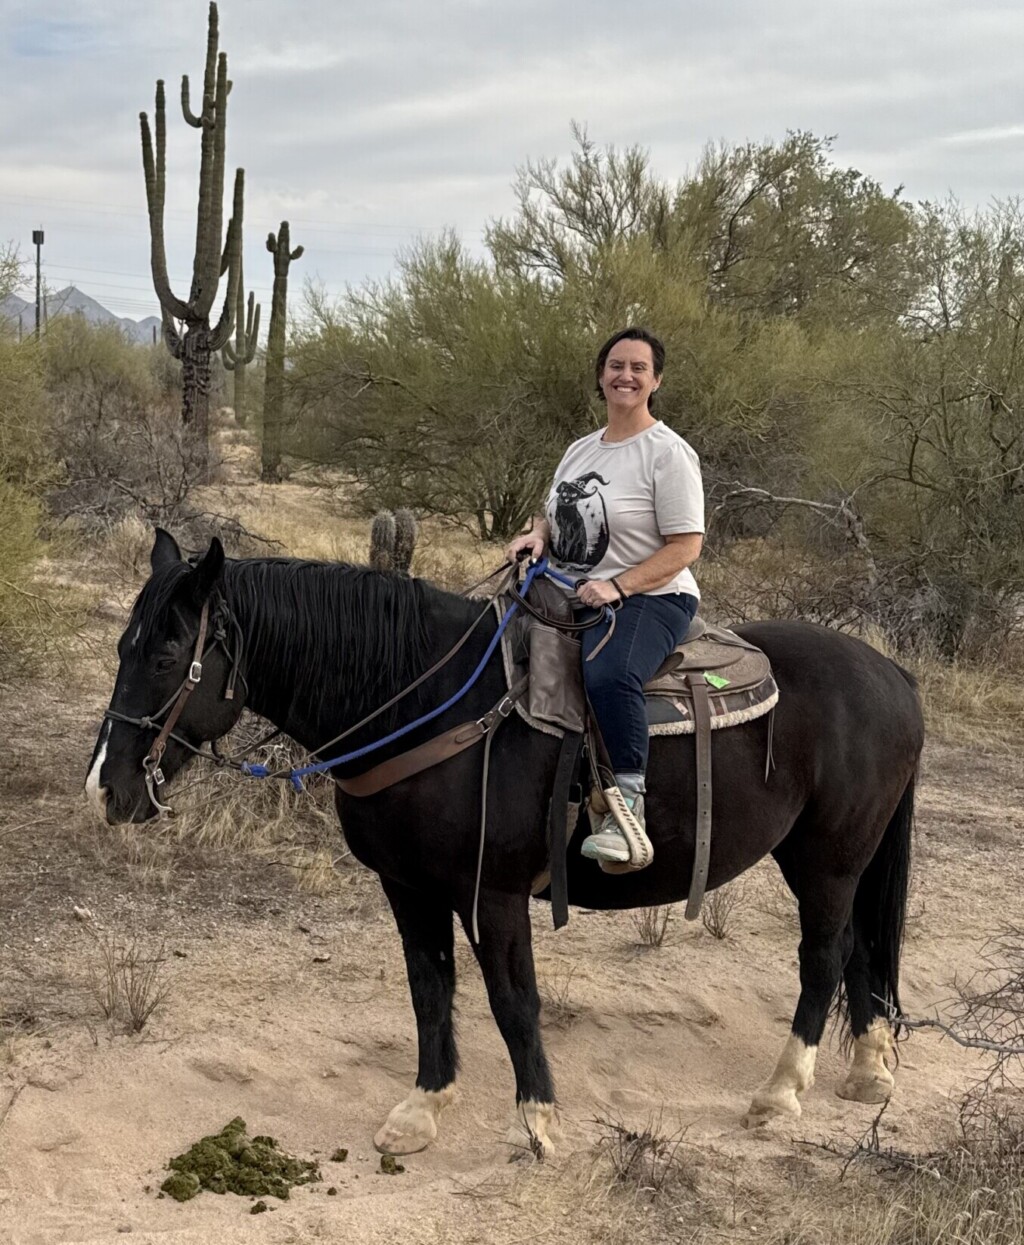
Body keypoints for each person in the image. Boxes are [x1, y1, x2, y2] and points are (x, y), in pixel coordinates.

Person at [505, 327, 704, 866]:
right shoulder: (581, 449)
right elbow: (555, 510)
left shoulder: (668, 453)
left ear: (655, 380)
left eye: (639, 367)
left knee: (609, 673)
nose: (627, 376)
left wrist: (618, 585)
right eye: (617, 365)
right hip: (567, 591)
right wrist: (537, 535)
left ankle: (627, 809)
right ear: (601, 375)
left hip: (651, 596)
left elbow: (686, 545)